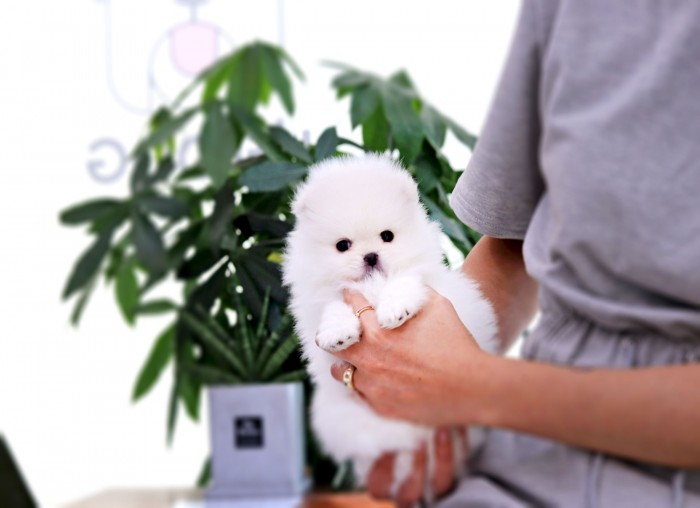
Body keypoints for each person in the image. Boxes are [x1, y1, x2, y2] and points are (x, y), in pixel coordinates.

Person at [328, 1, 700, 506]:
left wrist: (473, 388)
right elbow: (512, 244)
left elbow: (467, 382)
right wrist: (417, 412)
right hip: (519, 464)